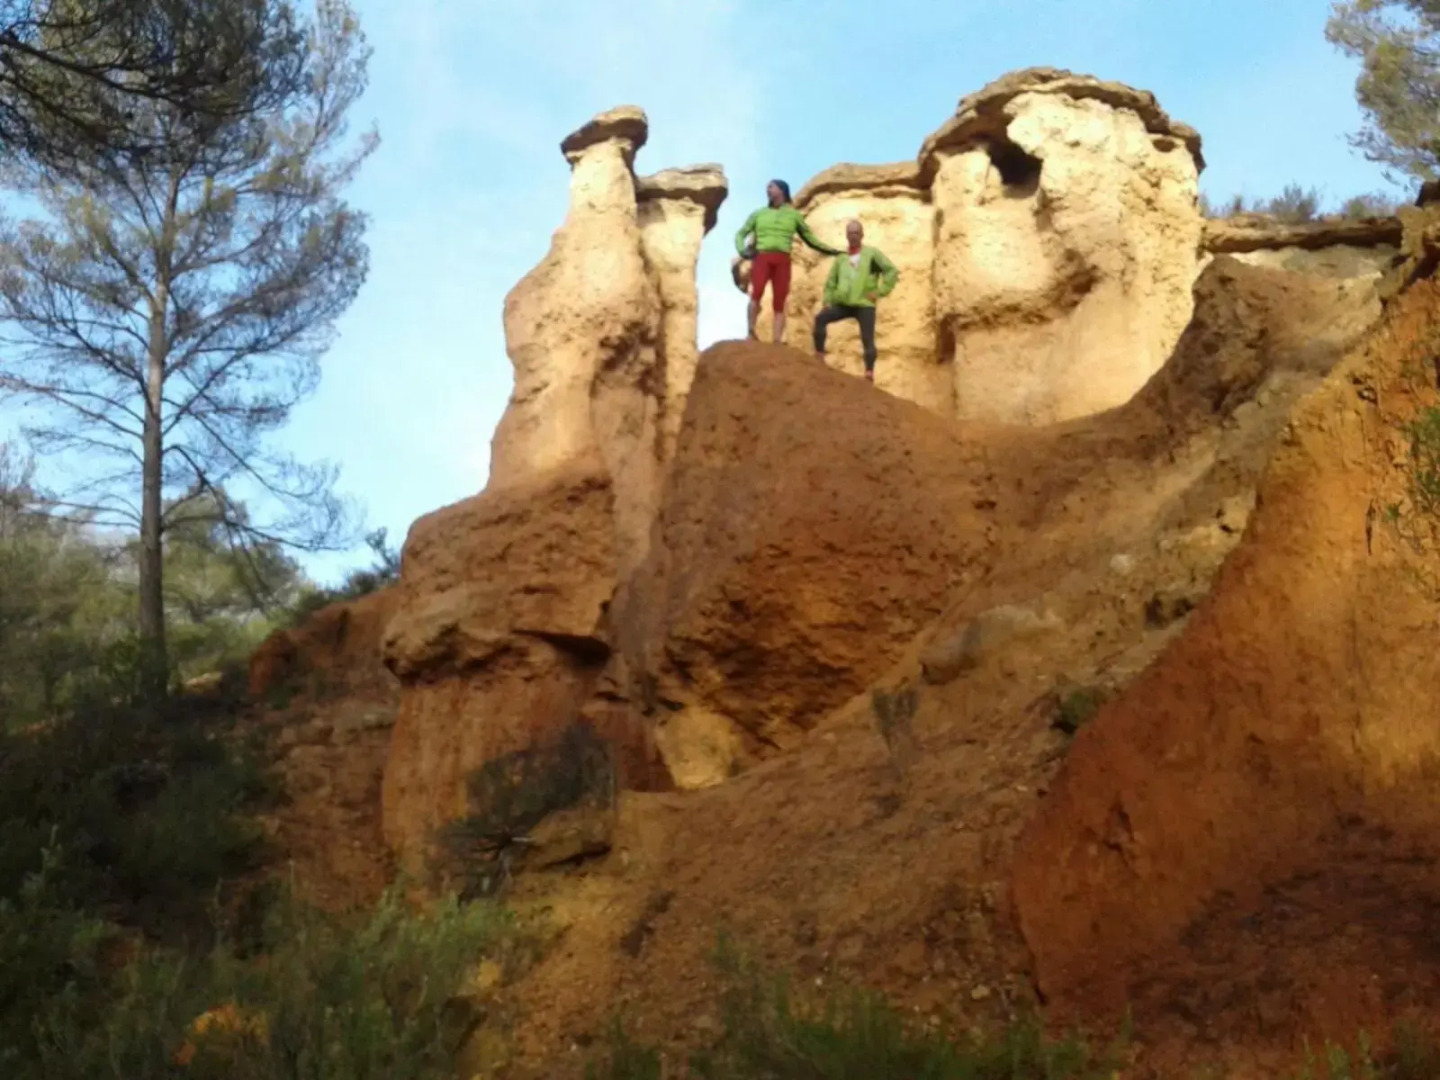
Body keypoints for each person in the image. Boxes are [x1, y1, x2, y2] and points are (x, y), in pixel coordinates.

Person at [735, 179, 842, 343]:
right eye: (767, 187)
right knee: (756, 295)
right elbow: (741, 233)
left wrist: (831, 250)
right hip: (762, 256)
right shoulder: (759, 214)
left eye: (771, 187)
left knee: (780, 300)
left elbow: (810, 239)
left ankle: (777, 340)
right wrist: (742, 250)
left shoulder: (793, 215)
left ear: (781, 190)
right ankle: (750, 332)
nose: (768, 190)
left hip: (782, 259)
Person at [812, 220, 899, 383]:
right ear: (846, 235)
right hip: (843, 303)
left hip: (864, 304)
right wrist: (827, 300)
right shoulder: (841, 258)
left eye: (856, 233)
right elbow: (831, 281)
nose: (853, 236)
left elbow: (891, 271)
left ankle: (869, 373)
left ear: (862, 235)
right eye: (850, 233)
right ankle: (819, 355)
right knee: (820, 318)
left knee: (868, 339)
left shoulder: (872, 255)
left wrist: (879, 292)